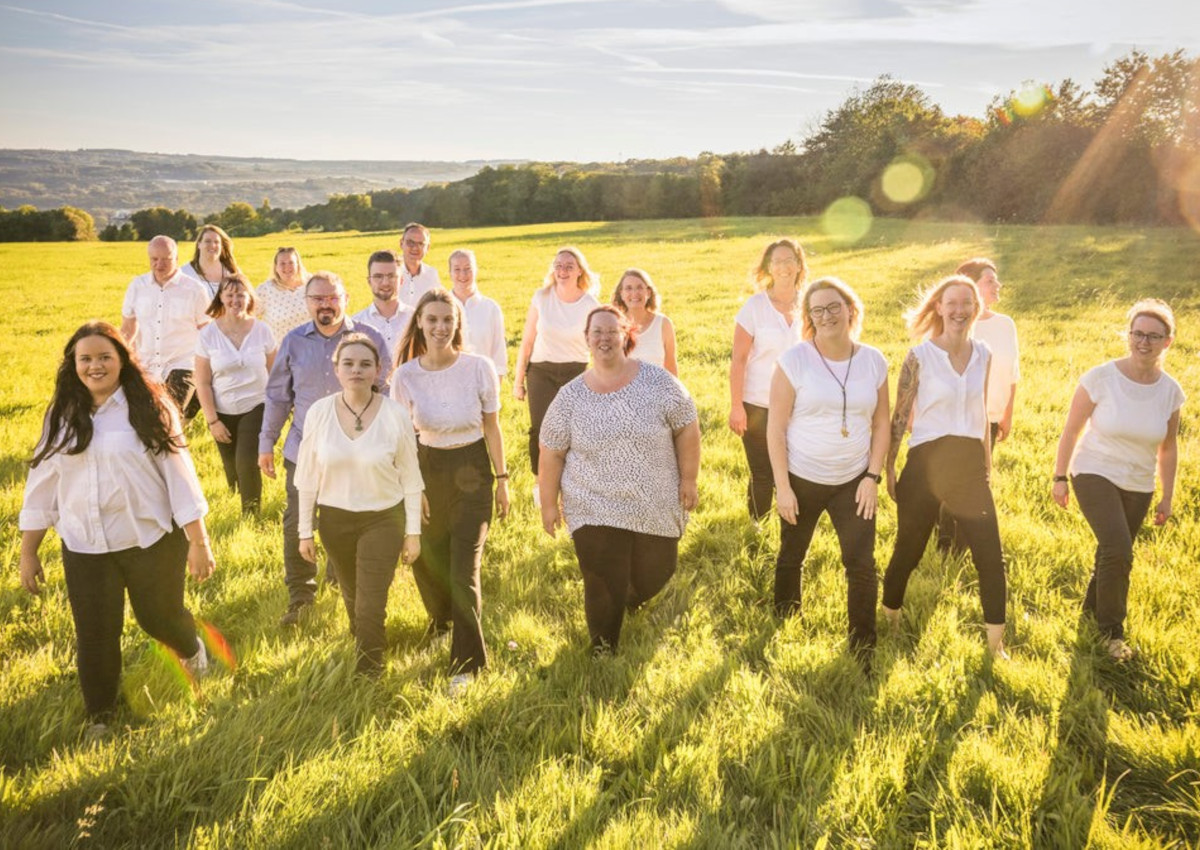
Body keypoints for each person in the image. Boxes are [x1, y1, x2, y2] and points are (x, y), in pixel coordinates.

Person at [18, 322, 215, 734]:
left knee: (157, 618)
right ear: (72, 365)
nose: (95, 366)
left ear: (122, 360)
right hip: (85, 544)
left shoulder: (149, 407)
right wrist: (29, 550)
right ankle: (101, 718)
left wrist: (199, 541)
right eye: (85, 358)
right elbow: (42, 485)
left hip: (151, 540)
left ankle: (192, 647)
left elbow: (181, 476)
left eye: (105, 356)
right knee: (95, 633)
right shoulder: (61, 414)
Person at [539, 306, 700, 654]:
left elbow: (687, 425)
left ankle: (628, 598)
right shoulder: (570, 396)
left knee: (659, 570)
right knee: (600, 577)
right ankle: (602, 648)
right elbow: (550, 450)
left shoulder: (658, 383)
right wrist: (549, 503)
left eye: (612, 331)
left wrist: (689, 479)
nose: (604, 338)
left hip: (652, 499)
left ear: (626, 335)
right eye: (596, 332)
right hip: (592, 501)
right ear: (586, 339)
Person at [881, 275, 1008, 658]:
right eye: (951, 303)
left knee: (989, 555)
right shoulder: (920, 356)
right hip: (925, 465)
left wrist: (987, 465)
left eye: (966, 303)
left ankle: (995, 646)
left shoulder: (984, 354)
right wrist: (889, 466)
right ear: (939, 307)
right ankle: (890, 618)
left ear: (976, 308)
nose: (959, 310)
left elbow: (982, 412)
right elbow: (900, 416)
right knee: (909, 548)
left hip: (969, 467)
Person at [1052, 299, 1183, 662]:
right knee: (1119, 549)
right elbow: (1071, 430)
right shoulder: (1101, 378)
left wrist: (1167, 497)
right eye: (1137, 333)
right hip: (1094, 470)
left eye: (1153, 336)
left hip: (1139, 483)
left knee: (1112, 553)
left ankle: (1089, 619)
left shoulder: (1170, 391)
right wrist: (1060, 476)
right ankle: (1112, 635)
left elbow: (1168, 449)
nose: (1144, 342)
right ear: (1128, 334)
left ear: (1167, 341)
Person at [394, 290, 509, 694]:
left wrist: (502, 480)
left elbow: (492, 427)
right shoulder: (406, 376)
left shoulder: (479, 368)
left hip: (473, 470)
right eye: (432, 320)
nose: (440, 327)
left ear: (458, 324)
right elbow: (404, 437)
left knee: (464, 571)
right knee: (426, 556)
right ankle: (442, 622)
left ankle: (467, 665)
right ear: (420, 324)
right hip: (426, 469)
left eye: (448, 320)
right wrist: (415, 488)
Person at [766, 278, 889, 659]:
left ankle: (863, 645)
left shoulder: (873, 360)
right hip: (803, 477)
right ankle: (785, 623)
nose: (827, 315)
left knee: (861, 564)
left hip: (854, 480)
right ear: (809, 318)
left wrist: (872, 477)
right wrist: (783, 488)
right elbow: (775, 427)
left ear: (850, 309)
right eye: (817, 310)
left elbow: (882, 423)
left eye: (834, 306)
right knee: (792, 554)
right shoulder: (794, 362)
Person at [259, 272, 390, 627]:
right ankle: (301, 597)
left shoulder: (370, 339)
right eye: (317, 298)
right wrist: (265, 443)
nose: (325, 304)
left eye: (332, 297)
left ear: (345, 298)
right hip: (304, 451)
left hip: (356, 453)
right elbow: (277, 396)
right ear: (307, 302)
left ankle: (340, 578)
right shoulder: (293, 342)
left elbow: (386, 394)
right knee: (296, 523)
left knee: (346, 518)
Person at [296, 334, 423, 676]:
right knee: (351, 596)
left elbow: (412, 479)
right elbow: (306, 478)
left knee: (370, 601)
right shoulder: (319, 413)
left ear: (378, 370)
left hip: (383, 518)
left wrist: (413, 534)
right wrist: (304, 532)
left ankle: (369, 672)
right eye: (348, 363)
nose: (357, 370)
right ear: (336, 369)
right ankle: (364, 640)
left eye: (365, 364)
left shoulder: (396, 414)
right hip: (335, 521)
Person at [937, 257, 1021, 554]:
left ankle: (962, 541)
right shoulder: (956, 325)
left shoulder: (1005, 324)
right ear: (970, 286)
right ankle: (946, 540)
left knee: (977, 478)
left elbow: (1013, 372)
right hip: (958, 417)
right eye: (989, 280)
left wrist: (1007, 414)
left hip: (992, 417)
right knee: (955, 479)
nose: (997, 285)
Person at [729, 238, 807, 525]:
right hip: (758, 403)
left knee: (795, 471)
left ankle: (793, 525)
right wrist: (736, 406)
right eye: (778, 261)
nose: (784, 266)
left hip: (800, 405)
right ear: (769, 267)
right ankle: (757, 528)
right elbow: (738, 360)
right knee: (763, 472)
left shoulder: (811, 303)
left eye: (790, 260)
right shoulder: (755, 306)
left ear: (799, 265)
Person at [513, 247, 600, 494]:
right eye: (558, 265)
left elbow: (597, 345)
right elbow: (527, 340)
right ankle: (542, 485)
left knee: (574, 430)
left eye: (568, 266)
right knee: (540, 428)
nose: (562, 271)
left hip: (576, 372)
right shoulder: (542, 297)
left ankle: (572, 484)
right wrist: (518, 381)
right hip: (541, 371)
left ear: (579, 271)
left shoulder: (590, 303)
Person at [194, 274, 277, 515]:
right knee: (232, 470)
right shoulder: (208, 335)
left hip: (257, 404)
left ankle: (251, 516)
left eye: (240, 295)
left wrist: (279, 409)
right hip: (222, 409)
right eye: (229, 295)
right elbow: (202, 381)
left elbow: (276, 374)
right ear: (221, 297)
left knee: (246, 462)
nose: (235, 300)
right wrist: (212, 421)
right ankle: (235, 500)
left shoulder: (262, 330)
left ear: (249, 298)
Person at [120, 235, 211, 424]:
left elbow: (207, 331)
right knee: (145, 420)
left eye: (166, 260)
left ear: (176, 259)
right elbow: (128, 328)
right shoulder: (138, 286)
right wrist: (122, 358)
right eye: (154, 259)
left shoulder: (194, 289)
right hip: (146, 364)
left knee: (169, 418)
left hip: (183, 364)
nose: (159, 265)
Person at [449, 249, 508, 378]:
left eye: (467, 268)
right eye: (457, 269)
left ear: (475, 271)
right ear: (450, 273)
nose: (463, 274)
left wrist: (495, 387)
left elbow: (499, 353)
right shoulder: (440, 307)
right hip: (447, 383)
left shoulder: (491, 308)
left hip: (483, 380)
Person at [611, 268, 678, 376]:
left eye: (639, 287)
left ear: (648, 292)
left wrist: (675, 392)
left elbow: (671, 367)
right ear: (621, 294)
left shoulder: (663, 324)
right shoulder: (614, 325)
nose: (634, 293)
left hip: (657, 390)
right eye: (628, 288)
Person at [353, 249, 414, 364]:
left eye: (391, 276)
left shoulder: (417, 318)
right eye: (378, 276)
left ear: (401, 280)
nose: (385, 282)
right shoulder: (356, 323)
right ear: (369, 281)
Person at [254, 246, 311, 343]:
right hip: (281, 351)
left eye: (291, 263)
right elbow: (248, 316)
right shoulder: (265, 289)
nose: (287, 267)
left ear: (298, 265)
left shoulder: (311, 283)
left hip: (312, 347)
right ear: (276, 267)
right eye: (282, 263)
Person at [182, 225, 241, 299]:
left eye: (216, 242)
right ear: (199, 244)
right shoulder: (185, 273)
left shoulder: (233, 271)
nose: (212, 245)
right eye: (207, 241)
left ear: (222, 247)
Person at [397, 223, 441, 308]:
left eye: (421, 244)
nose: (415, 248)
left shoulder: (432, 274)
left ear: (427, 248)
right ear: (401, 243)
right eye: (410, 242)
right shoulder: (390, 272)